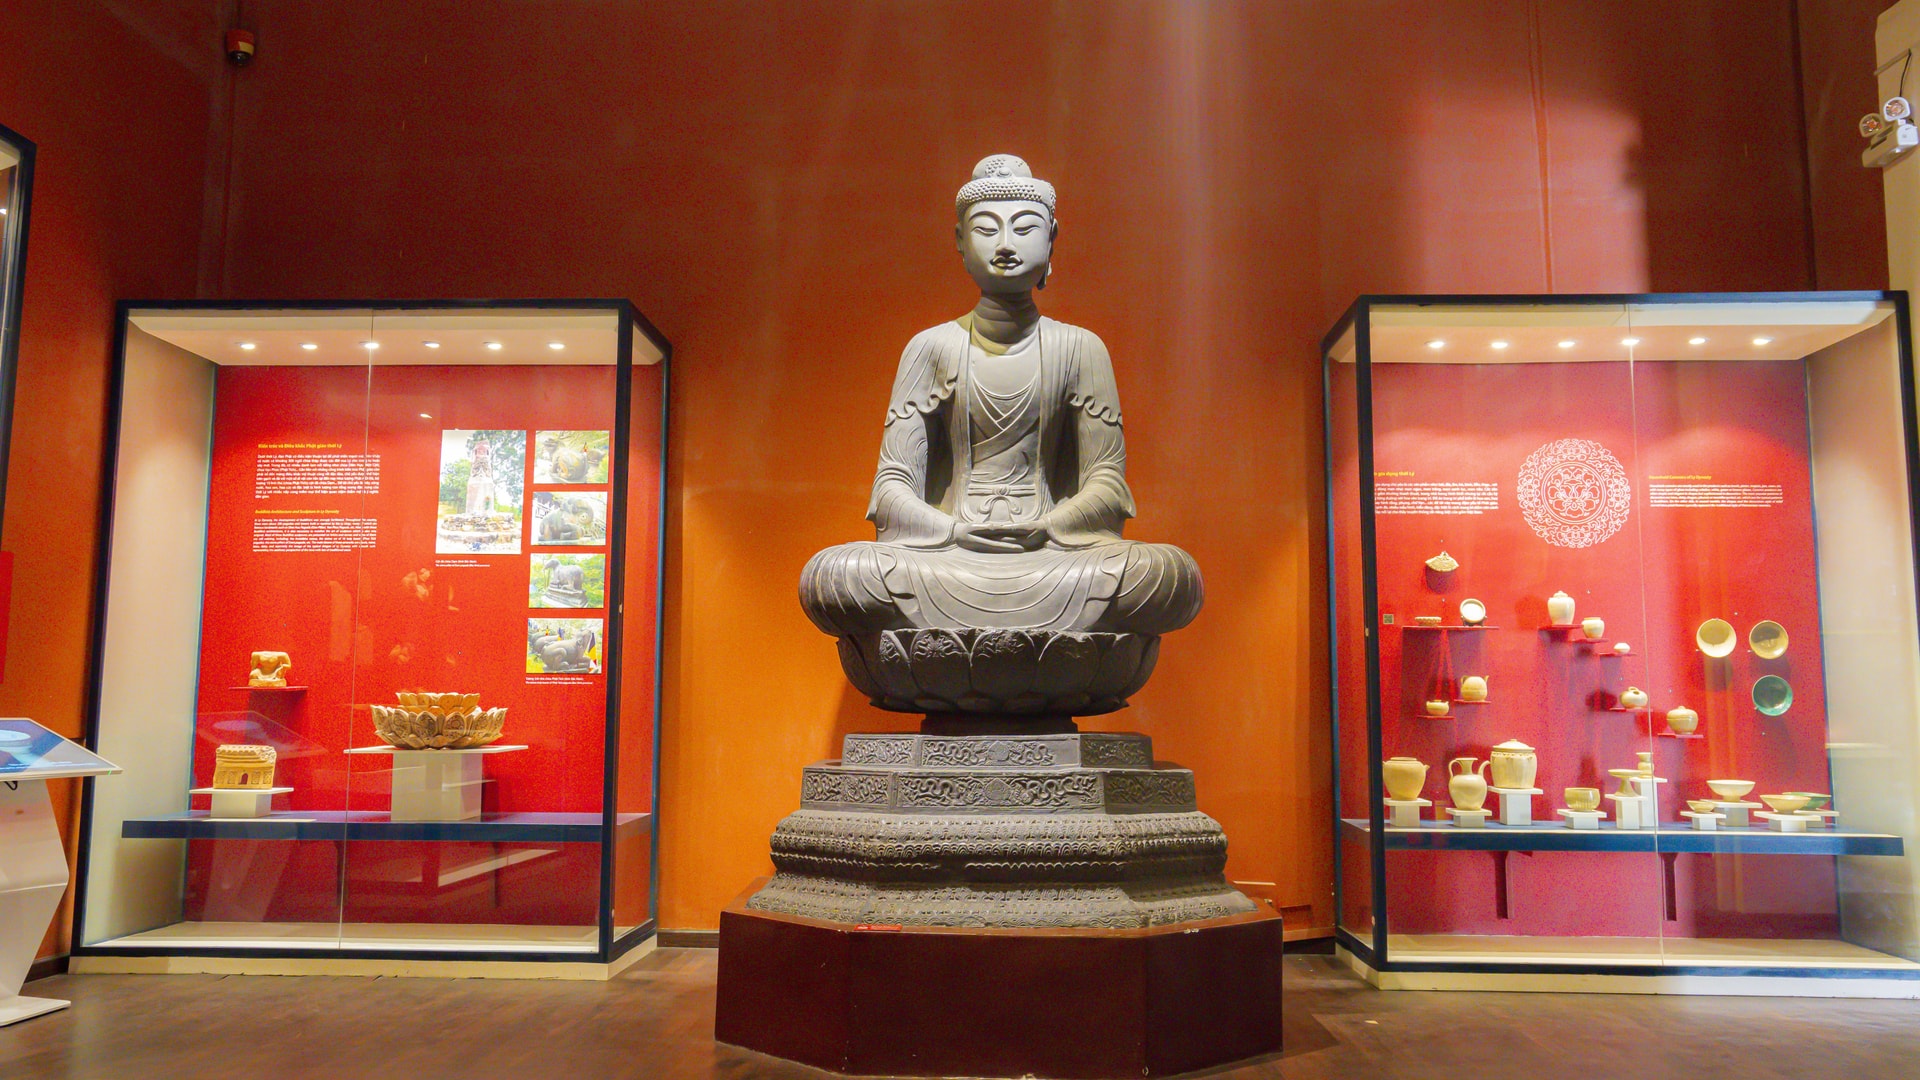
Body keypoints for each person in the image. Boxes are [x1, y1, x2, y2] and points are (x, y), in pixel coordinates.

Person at [801, 155, 1202, 637]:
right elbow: (892, 484)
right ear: (960, 241)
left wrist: (1049, 525)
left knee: (1162, 574)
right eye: (987, 229)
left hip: (1050, 552)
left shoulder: (1080, 347)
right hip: (950, 552)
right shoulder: (931, 347)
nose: (1006, 244)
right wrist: (954, 530)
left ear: (1052, 238)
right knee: (841, 575)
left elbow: (1107, 482)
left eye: (1025, 228)